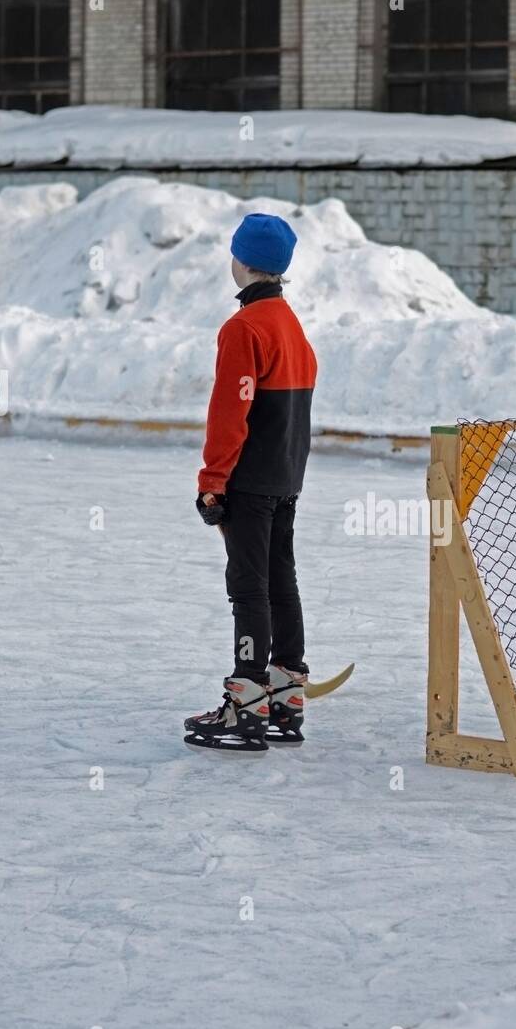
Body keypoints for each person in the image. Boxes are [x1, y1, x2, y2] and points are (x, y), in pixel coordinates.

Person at [184, 212, 317, 752]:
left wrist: (212, 480)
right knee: (279, 581)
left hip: (249, 479)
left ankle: (245, 703)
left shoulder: (244, 328)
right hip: (286, 475)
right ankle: (285, 695)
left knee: (248, 589)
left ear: (239, 261)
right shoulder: (290, 324)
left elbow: (229, 412)